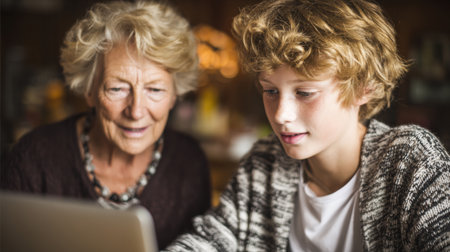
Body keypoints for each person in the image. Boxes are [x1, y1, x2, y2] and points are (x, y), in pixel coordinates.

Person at [164, 0, 450, 251]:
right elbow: (212, 239)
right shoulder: (264, 162)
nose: (280, 115)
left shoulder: (411, 162)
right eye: (270, 91)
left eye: (304, 93)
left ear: (365, 88)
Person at [2, 1, 211, 249]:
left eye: (155, 89)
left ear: (174, 96)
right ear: (89, 91)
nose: (135, 111)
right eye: (117, 88)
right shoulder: (34, 158)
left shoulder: (189, 164)